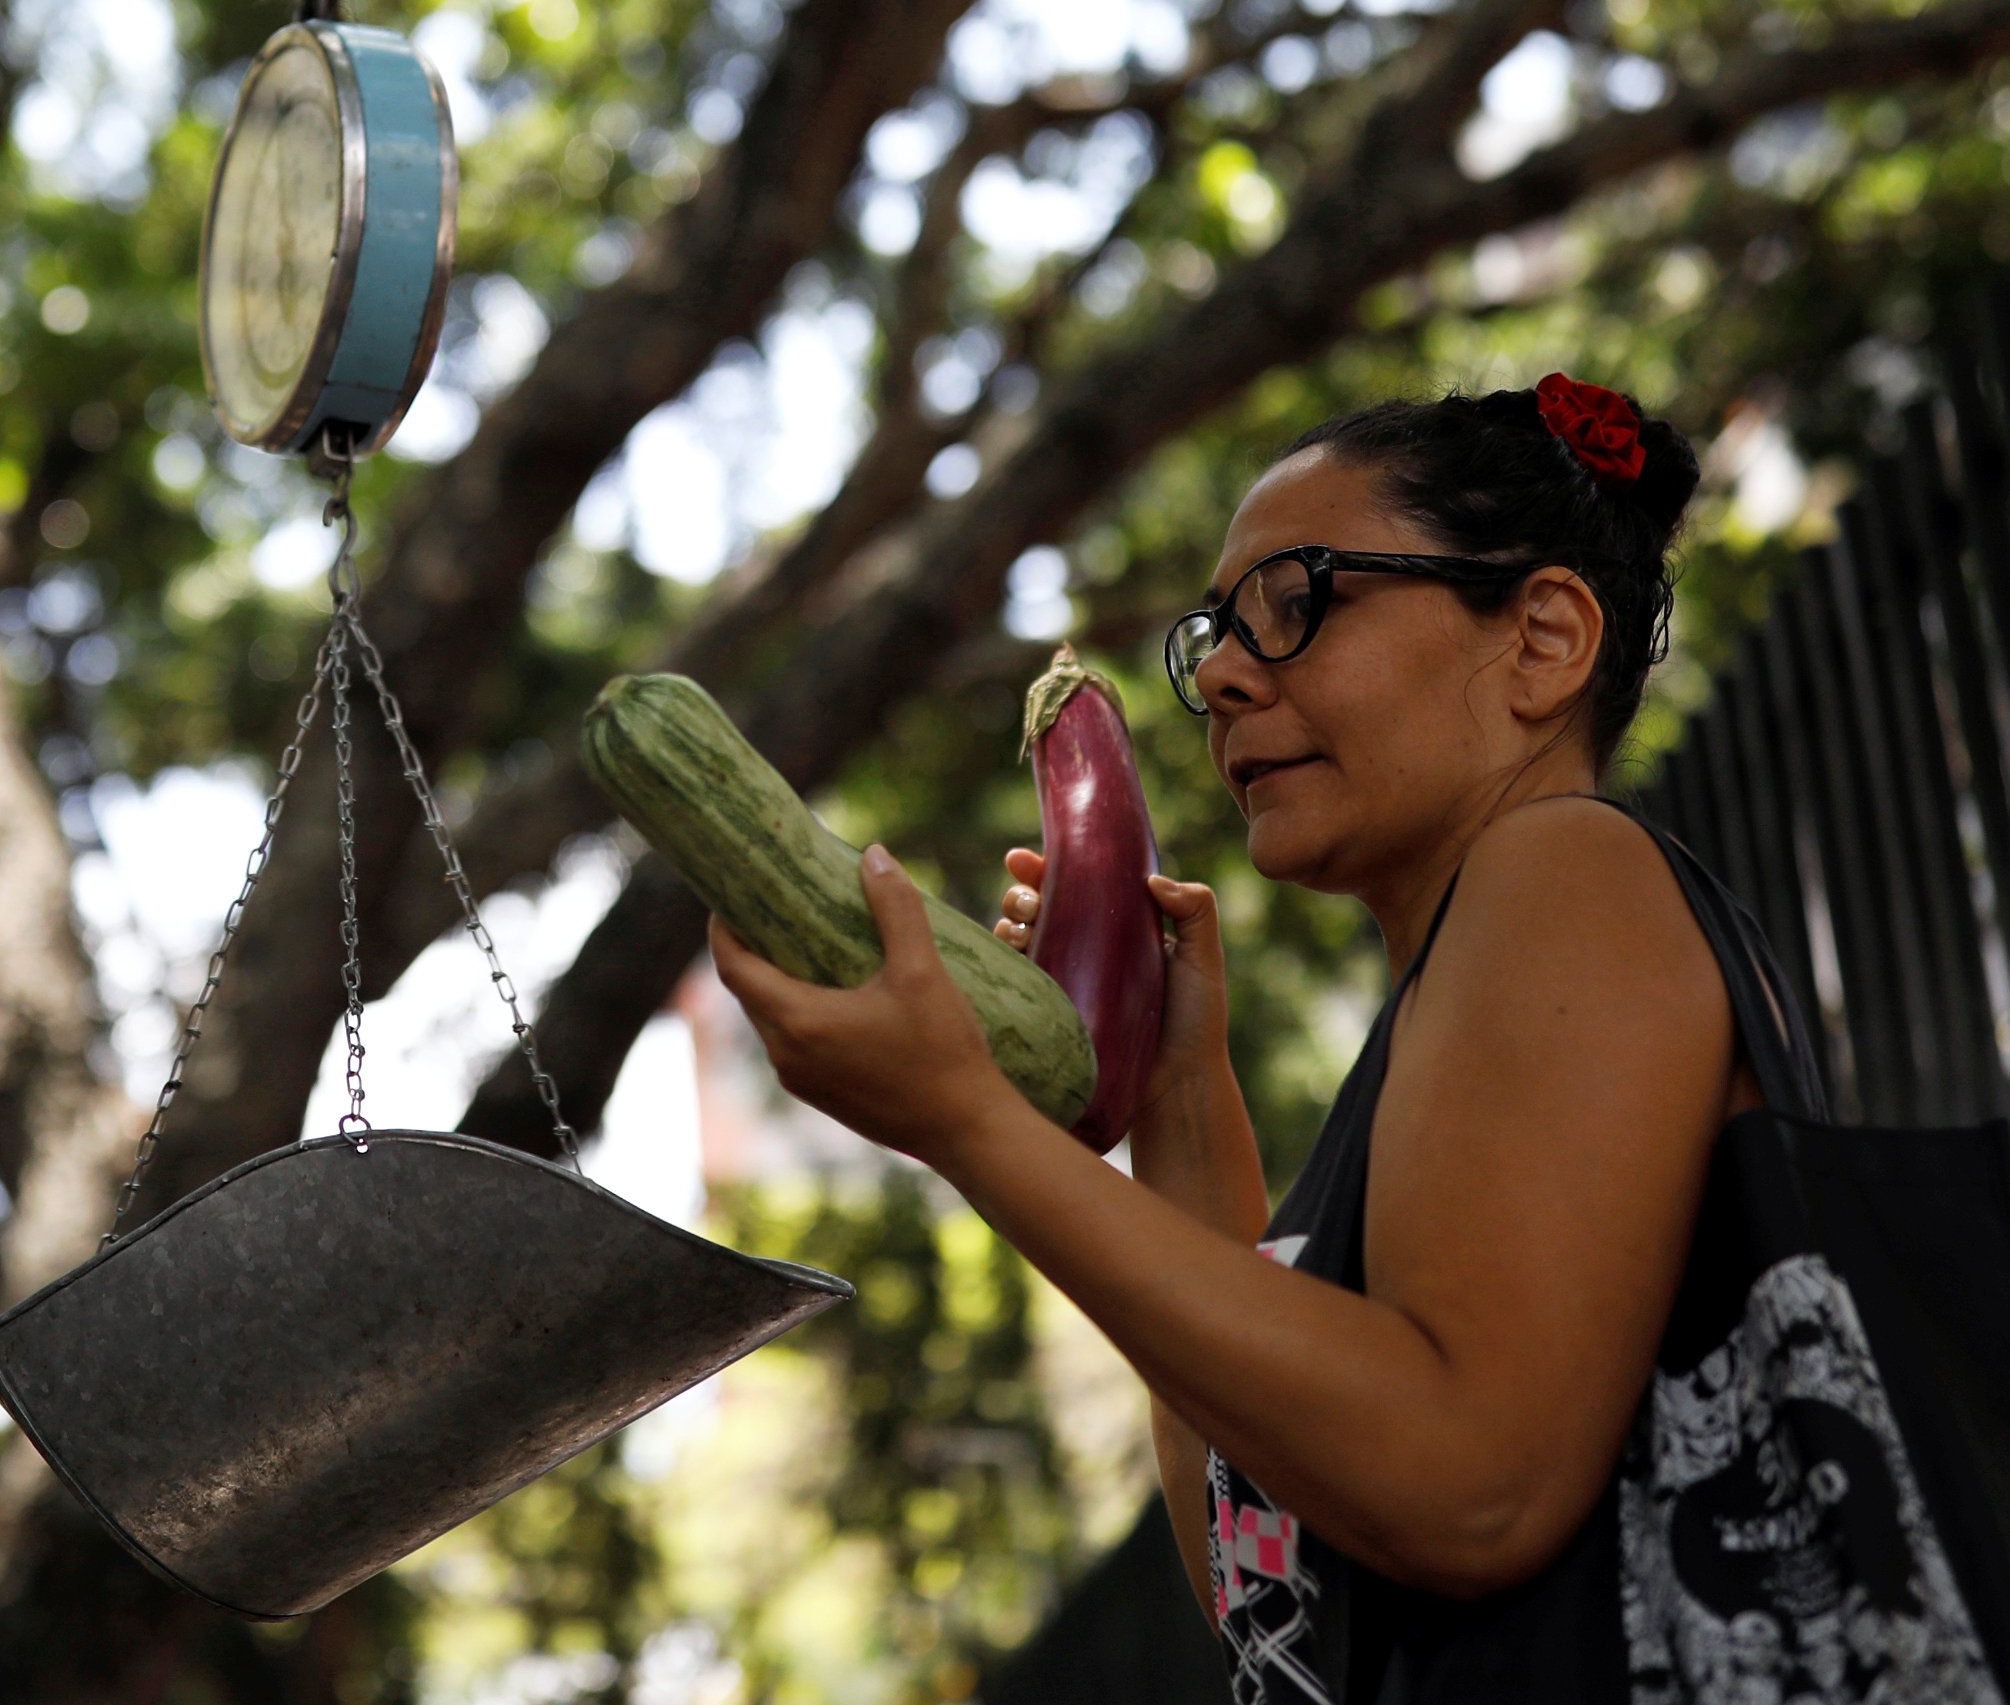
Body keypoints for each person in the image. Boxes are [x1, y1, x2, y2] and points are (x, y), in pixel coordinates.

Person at [713, 376, 1805, 1699]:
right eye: (1213, 635)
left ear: (1540, 639)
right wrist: (1175, 1092)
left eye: (1295, 602)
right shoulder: (1451, 1001)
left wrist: (964, 1123)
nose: (1222, 675)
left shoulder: (1562, 866)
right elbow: (1259, 1570)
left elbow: (1468, 1488)